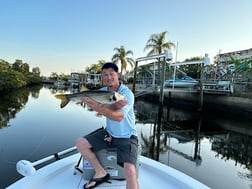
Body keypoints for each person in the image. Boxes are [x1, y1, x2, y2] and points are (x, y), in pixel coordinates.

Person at [76, 62, 139, 189]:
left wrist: (100, 108)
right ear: (102, 77)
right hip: (109, 134)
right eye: (105, 75)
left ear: (118, 75)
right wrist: (86, 100)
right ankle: (101, 172)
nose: (108, 77)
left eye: (111, 74)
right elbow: (95, 102)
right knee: (81, 144)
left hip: (127, 137)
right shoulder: (102, 92)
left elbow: (119, 117)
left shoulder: (126, 94)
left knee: (131, 171)